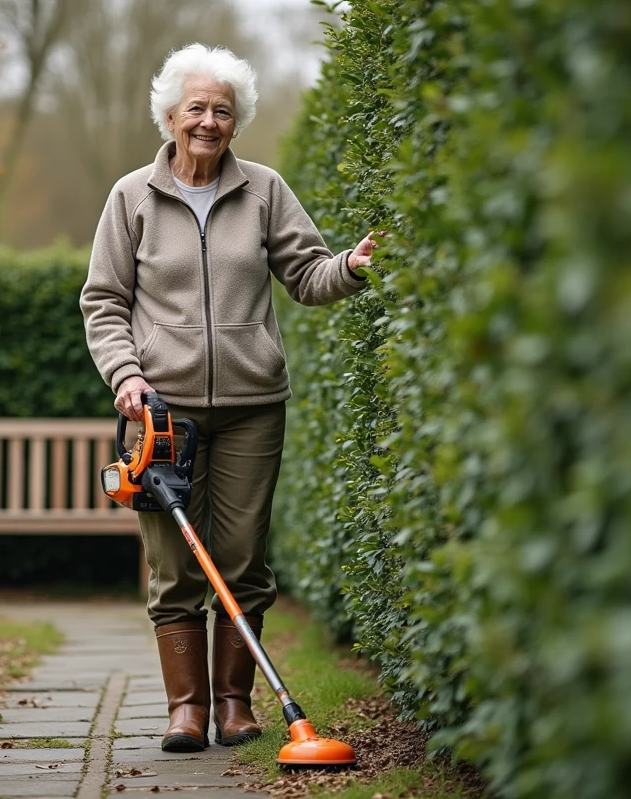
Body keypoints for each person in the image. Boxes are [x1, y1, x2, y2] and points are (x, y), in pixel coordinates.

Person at [80, 43, 381, 753]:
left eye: (222, 110)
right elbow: (103, 301)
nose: (208, 122)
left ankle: (234, 705)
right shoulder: (131, 196)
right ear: (170, 117)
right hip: (160, 413)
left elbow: (307, 275)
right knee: (175, 567)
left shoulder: (265, 190)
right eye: (196, 108)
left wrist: (351, 266)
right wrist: (126, 374)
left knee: (243, 560)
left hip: (252, 407)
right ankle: (186, 710)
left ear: (236, 121)